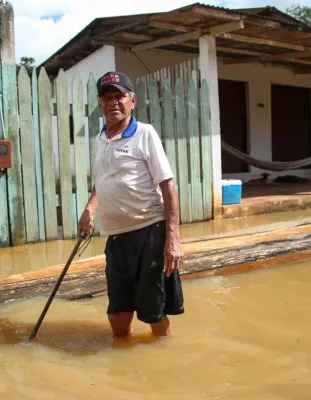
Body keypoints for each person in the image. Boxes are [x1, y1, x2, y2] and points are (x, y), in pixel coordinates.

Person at [77, 71, 185, 338]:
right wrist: (89, 210)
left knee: (153, 311)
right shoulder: (100, 139)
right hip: (116, 238)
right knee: (117, 313)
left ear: (132, 100)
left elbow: (168, 186)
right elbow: (103, 182)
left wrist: (173, 240)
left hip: (149, 233)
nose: (112, 102)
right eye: (106, 98)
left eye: (119, 96)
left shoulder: (145, 133)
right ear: (100, 105)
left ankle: (168, 365)